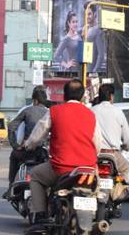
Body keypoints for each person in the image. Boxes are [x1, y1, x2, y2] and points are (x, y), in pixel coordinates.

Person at [22, 79, 101, 232]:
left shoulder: (55, 112)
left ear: (64, 95)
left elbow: (37, 135)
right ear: (82, 96)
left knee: (35, 176)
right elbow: (97, 143)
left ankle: (40, 216)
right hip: (88, 169)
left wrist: (28, 145)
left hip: (61, 169)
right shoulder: (90, 115)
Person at [5, 86, 50, 197]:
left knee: (14, 156)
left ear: (34, 101)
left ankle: (11, 186)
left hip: (27, 150)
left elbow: (11, 127)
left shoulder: (27, 110)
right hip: (44, 152)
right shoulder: (51, 113)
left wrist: (15, 145)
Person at [91, 83, 129, 183]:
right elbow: (126, 138)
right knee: (125, 167)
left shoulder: (92, 111)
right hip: (113, 154)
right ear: (111, 96)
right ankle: (120, 192)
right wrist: (126, 146)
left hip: (95, 154)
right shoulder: (118, 112)